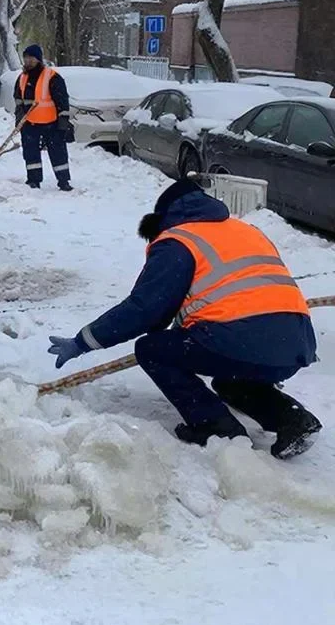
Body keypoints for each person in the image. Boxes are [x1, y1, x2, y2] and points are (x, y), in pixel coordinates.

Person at [47, 178, 322, 458]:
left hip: (242, 341)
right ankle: (294, 419)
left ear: (165, 216)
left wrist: (83, 341)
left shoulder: (179, 240)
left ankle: (216, 428)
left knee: (152, 350)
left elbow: (145, 310)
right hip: (296, 342)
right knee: (229, 380)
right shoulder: (246, 230)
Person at [13, 45, 73, 191]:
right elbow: (18, 101)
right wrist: (19, 119)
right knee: (30, 153)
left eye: (31, 58)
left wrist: (63, 123)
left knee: (58, 153)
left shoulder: (52, 77)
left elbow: (62, 101)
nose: (28, 61)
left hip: (51, 123)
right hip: (30, 124)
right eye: (26, 58)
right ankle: (33, 180)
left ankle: (63, 181)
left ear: (38, 59)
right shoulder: (22, 78)